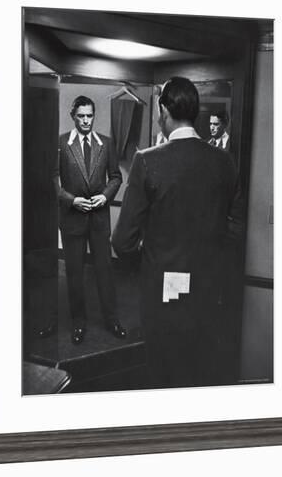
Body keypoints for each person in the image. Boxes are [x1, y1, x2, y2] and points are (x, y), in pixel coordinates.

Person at [112, 77, 242, 388]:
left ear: (163, 110)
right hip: (210, 292)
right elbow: (235, 228)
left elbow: (122, 240)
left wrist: (151, 261)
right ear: (195, 113)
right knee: (200, 373)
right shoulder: (224, 162)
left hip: (162, 294)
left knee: (163, 374)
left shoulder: (148, 161)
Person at [48, 95, 127, 345]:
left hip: (99, 219)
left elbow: (116, 176)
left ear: (94, 116)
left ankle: (112, 319)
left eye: (89, 115)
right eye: (81, 116)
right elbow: (53, 180)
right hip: (72, 218)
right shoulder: (61, 143)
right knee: (74, 274)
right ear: (73, 116)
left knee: (105, 271)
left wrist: (105, 197)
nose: (85, 121)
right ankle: (78, 324)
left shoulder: (106, 143)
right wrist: (71, 200)